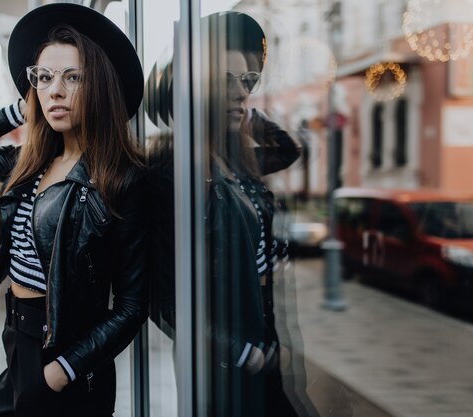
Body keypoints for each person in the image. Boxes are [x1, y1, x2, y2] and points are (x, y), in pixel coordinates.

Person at [0, 4, 148, 417]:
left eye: (73, 77)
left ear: (99, 86)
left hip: (68, 359)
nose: (55, 91)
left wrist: (62, 371)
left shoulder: (121, 179)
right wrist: (20, 107)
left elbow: (131, 306)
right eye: (44, 78)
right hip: (19, 341)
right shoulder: (28, 163)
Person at [146, 11, 312, 417]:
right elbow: (162, 299)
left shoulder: (233, 157)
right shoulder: (172, 169)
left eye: (247, 81)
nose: (242, 93)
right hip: (223, 359)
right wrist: (237, 352)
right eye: (224, 81)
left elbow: (288, 149)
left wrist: (243, 115)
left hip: (261, 332)